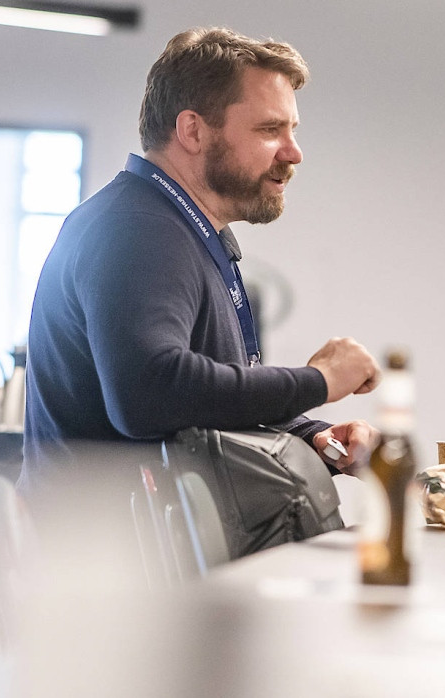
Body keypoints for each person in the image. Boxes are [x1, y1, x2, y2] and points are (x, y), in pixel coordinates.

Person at [22, 27, 380, 497]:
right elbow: (149, 395)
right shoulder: (135, 228)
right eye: (270, 129)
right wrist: (320, 380)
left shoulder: (180, 228)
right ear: (192, 130)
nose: (294, 152)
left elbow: (201, 401)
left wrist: (310, 435)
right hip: (102, 561)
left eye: (292, 130)